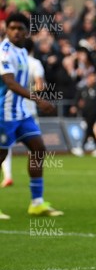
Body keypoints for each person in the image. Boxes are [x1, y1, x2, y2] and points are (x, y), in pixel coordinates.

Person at [0, 13, 60, 220]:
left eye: (20, 28)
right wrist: (38, 100)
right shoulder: (4, 52)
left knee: (38, 149)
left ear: (26, 31)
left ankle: (36, 203)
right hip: (4, 112)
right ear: (6, 30)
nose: (16, 31)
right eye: (12, 28)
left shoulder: (23, 51)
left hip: (21, 113)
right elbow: (10, 83)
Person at [1, 38, 45, 188]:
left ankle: (8, 176)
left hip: (22, 110)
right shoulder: (34, 62)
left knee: (36, 148)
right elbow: (40, 86)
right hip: (15, 110)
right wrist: (37, 98)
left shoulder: (18, 55)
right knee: (3, 151)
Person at [70, 72, 96, 157]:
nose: (93, 79)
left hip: (94, 112)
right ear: (87, 79)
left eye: (94, 78)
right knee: (90, 129)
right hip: (85, 112)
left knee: (89, 128)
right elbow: (77, 98)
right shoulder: (83, 89)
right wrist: (74, 106)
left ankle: (82, 148)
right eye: (91, 78)